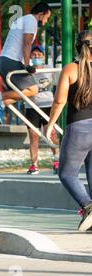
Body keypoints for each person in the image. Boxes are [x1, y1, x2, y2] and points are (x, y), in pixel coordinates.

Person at [46, 30, 92, 232]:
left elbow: (59, 101)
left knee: (66, 173)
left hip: (79, 128)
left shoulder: (71, 70)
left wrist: (50, 125)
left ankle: (88, 207)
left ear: (77, 46)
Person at [0, 1, 52, 122]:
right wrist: (28, 65)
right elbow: (27, 43)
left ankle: (0, 103)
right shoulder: (31, 21)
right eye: (47, 18)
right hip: (11, 61)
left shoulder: (23, 20)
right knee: (33, 90)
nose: (46, 22)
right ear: (40, 14)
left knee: (22, 93)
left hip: (3, 61)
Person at [25, 45, 59, 175]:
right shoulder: (25, 70)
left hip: (47, 105)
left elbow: (58, 83)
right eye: (34, 55)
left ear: (43, 57)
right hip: (32, 107)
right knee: (34, 137)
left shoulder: (49, 69)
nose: (37, 57)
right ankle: (34, 164)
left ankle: (56, 161)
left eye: (39, 55)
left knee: (51, 134)